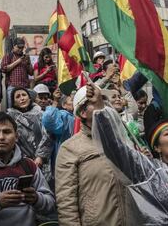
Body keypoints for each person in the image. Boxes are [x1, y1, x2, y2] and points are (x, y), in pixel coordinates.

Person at [89, 84, 168, 224]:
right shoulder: (151, 171)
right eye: (167, 134)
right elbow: (116, 150)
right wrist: (100, 109)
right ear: (156, 147)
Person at [55, 85, 132, 226]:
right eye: (97, 102)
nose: (104, 105)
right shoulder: (69, 149)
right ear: (83, 112)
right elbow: (67, 203)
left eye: (104, 101)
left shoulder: (122, 141)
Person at [7, 88, 53, 183]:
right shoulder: (9, 118)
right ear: (13, 102)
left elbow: (48, 135)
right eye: (18, 96)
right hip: (20, 162)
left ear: (29, 98)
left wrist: (40, 156)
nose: (22, 98)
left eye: (24, 95)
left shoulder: (40, 114)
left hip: (41, 161)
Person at [42, 89, 74, 181]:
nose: (76, 102)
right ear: (64, 105)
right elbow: (48, 120)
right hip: (65, 163)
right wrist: (55, 101)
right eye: (72, 100)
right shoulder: (64, 115)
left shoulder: (82, 116)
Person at [1, 38, 33, 108]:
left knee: (26, 108)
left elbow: (31, 73)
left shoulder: (25, 57)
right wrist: (18, 61)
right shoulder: (8, 56)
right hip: (13, 87)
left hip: (24, 87)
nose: (20, 49)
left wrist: (28, 63)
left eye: (22, 47)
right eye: (19, 47)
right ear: (14, 46)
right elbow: (4, 69)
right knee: (12, 108)